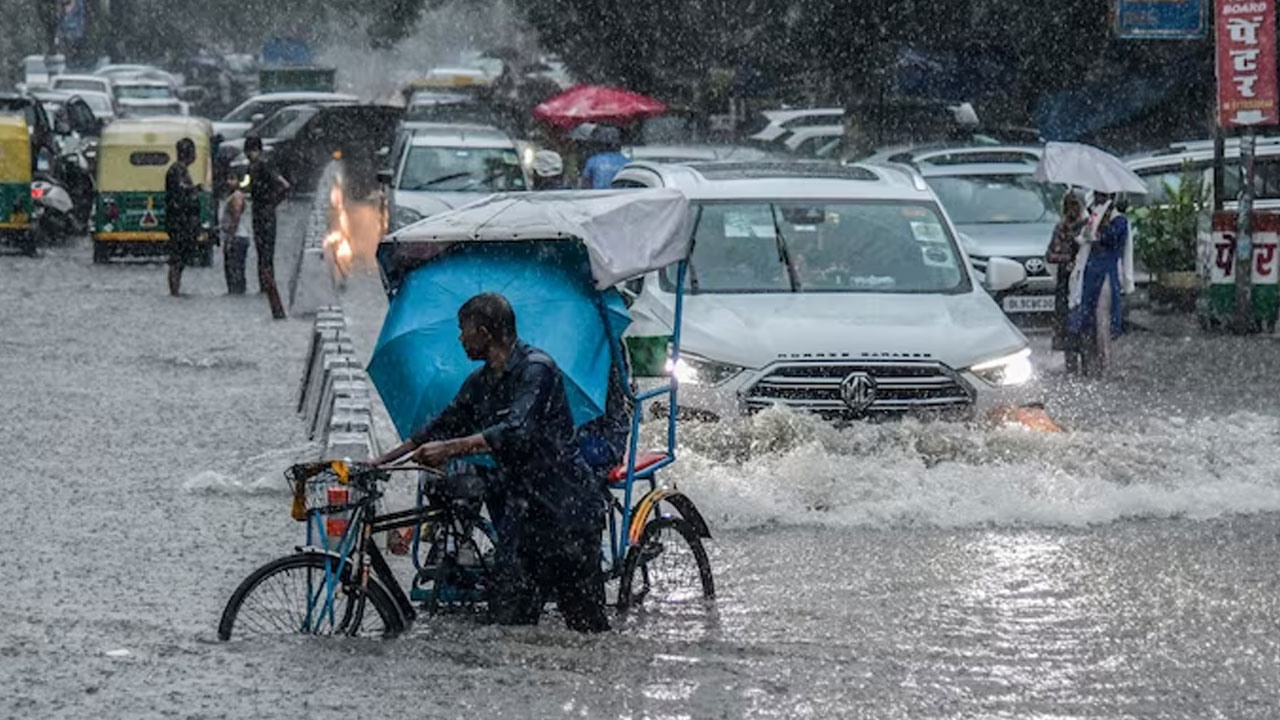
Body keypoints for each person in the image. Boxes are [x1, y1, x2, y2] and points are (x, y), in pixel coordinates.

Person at [372, 293, 610, 633]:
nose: (460, 338)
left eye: (463, 330)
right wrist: (381, 463)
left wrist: (450, 450)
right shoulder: (481, 382)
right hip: (523, 518)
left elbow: (517, 430)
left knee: (586, 631)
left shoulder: (537, 370)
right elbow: (440, 426)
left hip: (566, 515)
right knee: (509, 627)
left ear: (484, 333)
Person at [1067, 193, 1128, 377]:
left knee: (1104, 319)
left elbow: (1113, 241)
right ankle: (1093, 362)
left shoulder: (1119, 221)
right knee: (1089, 317)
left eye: (1101, 193)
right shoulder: (1093, 215)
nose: (1097, 196)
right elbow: (1083, 237)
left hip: (1105, 274)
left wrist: (1098, 233)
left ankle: (1106, 362)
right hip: (1090, 273)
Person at [244, 136, 289, 319]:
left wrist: (271, 204)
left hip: (265, 215)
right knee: (262, 253)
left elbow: (284, 185)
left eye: (250, 151)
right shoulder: (253, 168)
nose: (248, 155)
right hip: (259, 213)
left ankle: (269, 288)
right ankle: (265, 288)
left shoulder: (264, 166)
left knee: (266, 254)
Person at [1046, 191, 1085, 371]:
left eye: (1076, 205)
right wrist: (1068, 257)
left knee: (1080, 319)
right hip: (1065, 280)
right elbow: (1050, 254)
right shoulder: (1061, 228)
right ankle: (1070, 362)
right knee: (1065, 319)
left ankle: (1083, 359)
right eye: (1070, 205)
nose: (1073, 210)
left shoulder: (1086, 226)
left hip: (1082, 277)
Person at [164, 138, 201, 297]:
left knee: (179, 260)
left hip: (181, 221)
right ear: (189, 154)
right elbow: (181, 192)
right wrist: (193, 191)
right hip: (178, 221)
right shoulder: (177, 170)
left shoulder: (181, 170)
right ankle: (175, 292)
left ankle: (176, 291)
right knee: (177, 259)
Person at [218, 171, 251, 294]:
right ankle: (237, 295)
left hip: (237, 238)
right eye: (228, 178)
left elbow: (236, 216)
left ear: (239, 181)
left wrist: (230, 239)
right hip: (236, 237)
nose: (229, 182)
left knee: (234, 272)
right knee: (234, 272)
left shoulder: (237, 196)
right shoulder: (233, 196)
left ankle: (237, 294)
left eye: (232, 179)